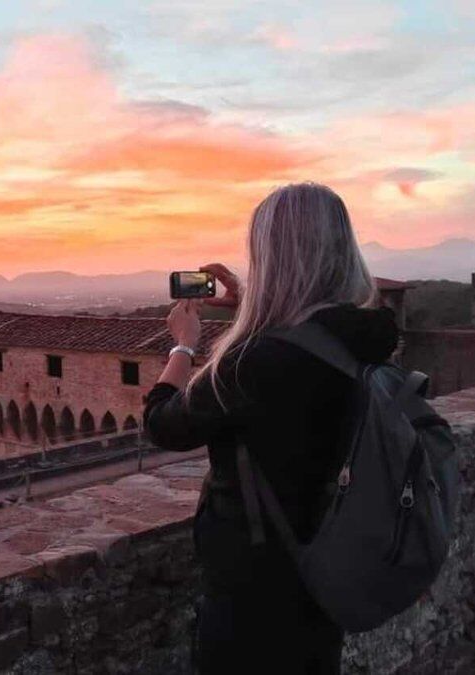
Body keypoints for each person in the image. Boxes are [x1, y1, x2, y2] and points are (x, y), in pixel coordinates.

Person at [142, 182, 398, 674]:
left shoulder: (252, 365)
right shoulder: (369, 340)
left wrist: (183, 347)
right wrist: (249, 306)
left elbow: (163, 424)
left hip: (255, 590)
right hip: (329, 564)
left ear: (270, 258)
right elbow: (306, 356)